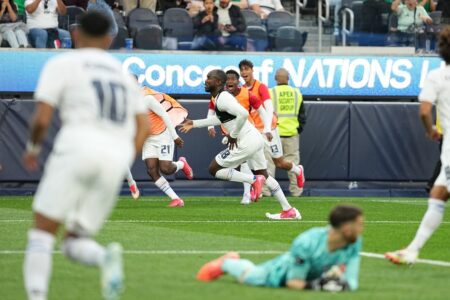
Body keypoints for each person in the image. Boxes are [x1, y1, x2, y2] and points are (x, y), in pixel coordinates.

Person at [22, 11, 148, 300]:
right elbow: (143, 127)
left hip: (77, 147)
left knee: (42, 232)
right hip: (114, 158)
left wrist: (32, 150)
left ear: (76, 35)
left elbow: (42, 119)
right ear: (110, 39)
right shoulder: (122, 74)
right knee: (74, 241)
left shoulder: (63, 63)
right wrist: (124, 156)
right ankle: (105, 258)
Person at [180, 69, 301, 220]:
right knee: (263, 174)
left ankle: (253, 181)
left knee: (214, 169)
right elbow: (221, 119)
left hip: (246, 140)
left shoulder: (223, 98)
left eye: (209, 78)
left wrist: (233, 135)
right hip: (255, 138)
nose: (206, 80)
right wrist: (195, 123)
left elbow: (243, 114)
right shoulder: (220, 98)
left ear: (218, 82)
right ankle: (288, 210)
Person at [385, 27, 450, 265]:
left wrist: (430, 129)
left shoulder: (436, 77)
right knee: (438, 195)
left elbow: (424, 111)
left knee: (438, 196)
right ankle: (413, 249)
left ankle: (412, 249)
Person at [197, 205, 363, 292]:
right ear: (346, 228)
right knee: (249, 276)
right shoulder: (307, 242)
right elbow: (293, 282)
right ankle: (228, 262)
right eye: (359, 224)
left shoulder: (355, 241)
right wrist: (317, 286)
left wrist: (341, 285)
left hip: (313, 275)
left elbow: (352, 281)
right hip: (279, 273)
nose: (362, 229)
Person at [239, 59, 305, 199]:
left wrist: (268, 128)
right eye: (242, 69)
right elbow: (302, 114)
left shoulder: (264, 88)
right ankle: (260, 192)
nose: (244, 72)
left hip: (270, 130)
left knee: (278, 162)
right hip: (261, 131)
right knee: (254, 161)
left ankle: (297, 171)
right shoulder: (243, 90)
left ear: (252, 70)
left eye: (247, 69)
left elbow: (268, 108)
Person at [207, 69, 271, 204]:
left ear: (238, 82)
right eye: (228, 79)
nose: (230, 81)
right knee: (258, 171)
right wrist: (209, 126)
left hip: (247, 135)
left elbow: (260, 111)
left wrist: (267, 128)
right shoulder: (218, 97)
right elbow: (212, 112)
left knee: (255, 165)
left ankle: (248, 193)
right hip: (232, 135)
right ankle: (286, 207)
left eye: (233, 79)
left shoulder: (248, 95)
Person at [127, 86, 194, 207]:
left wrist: (175, 137)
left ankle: (182, 164)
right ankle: (176, 199)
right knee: (151, 170)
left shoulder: (146, 99)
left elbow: (164, 114)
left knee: (166, 169)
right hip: (148, 138)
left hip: (163, 135)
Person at [269, 68, 306, 197]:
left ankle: (265, 192)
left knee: (269, 164)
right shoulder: (297, 93)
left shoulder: (270, 92)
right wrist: (298, 129)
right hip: (291, 134)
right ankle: (297, 192)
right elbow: (302, 115)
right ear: (288, 78)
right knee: (293, 164)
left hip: (273, 135)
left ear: (275, 78)